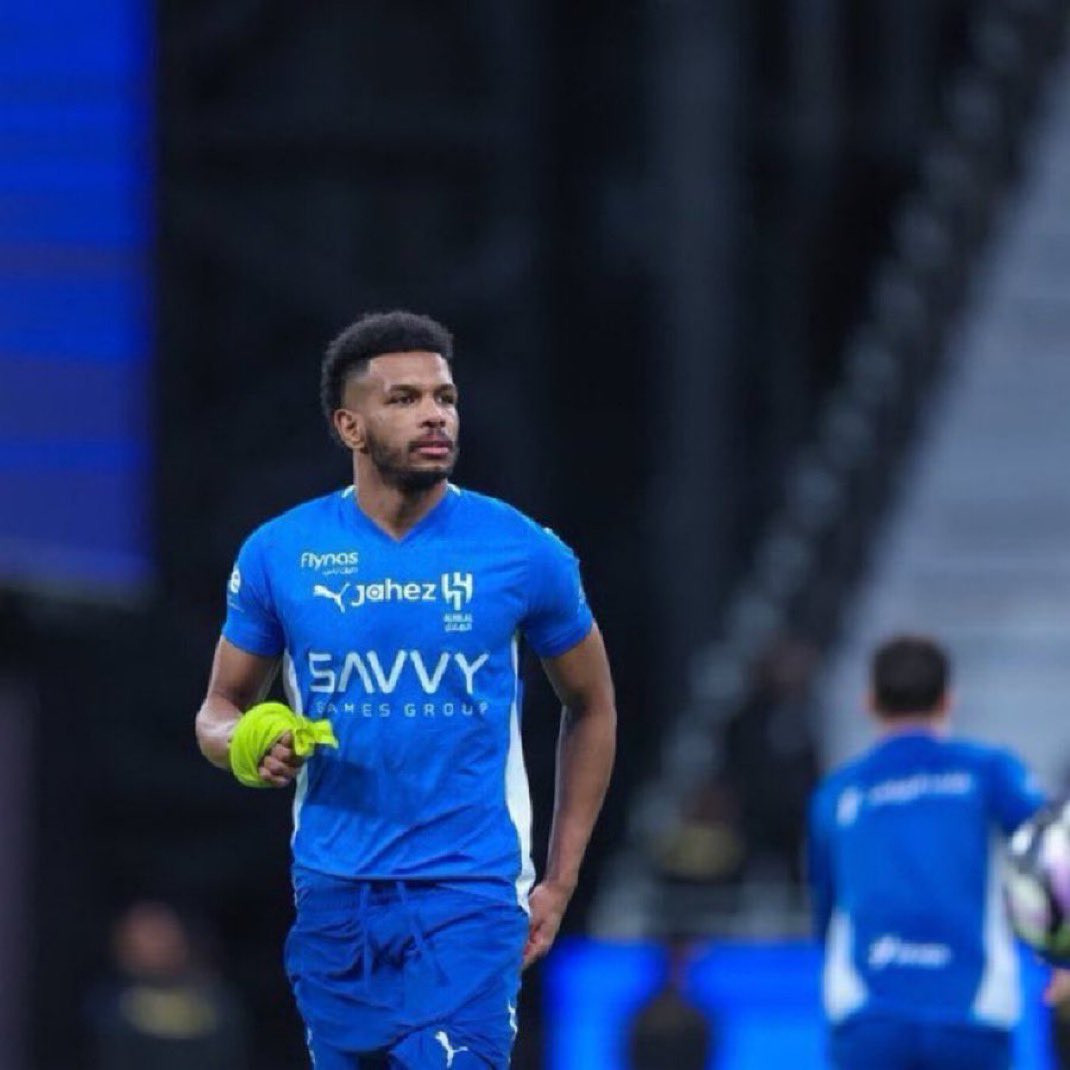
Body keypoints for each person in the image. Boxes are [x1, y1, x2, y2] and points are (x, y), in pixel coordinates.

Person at [194, 310, 617, 1069]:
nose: (435, 415)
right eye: (405, 399)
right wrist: (246, 744)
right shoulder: (280, 553)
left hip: (469, 894)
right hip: (334, 894)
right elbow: (218, 709)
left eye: (445, 397)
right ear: (349, 426)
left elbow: (592, 705)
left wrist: (560, 879)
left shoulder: (524, 552)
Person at [807, 635, 1046, 1070]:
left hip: (869, 1012)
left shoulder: (839, 792)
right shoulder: (986, 771)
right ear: (949, 699)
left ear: (869, 702)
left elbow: (825, 906)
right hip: (971, 1009)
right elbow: (1052, 854)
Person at [86, 900, 249, 1070]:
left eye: (161, 933)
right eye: (147, 936)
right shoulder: (108, 1007)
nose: (157, 944)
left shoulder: (217, 1003)